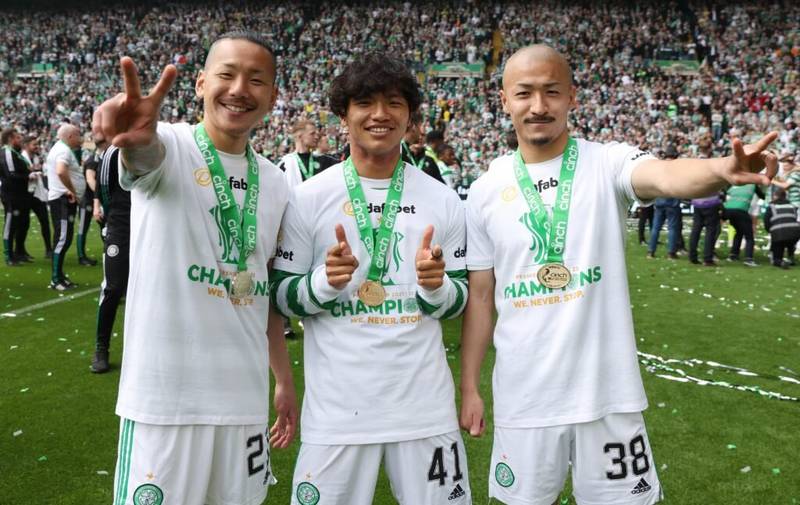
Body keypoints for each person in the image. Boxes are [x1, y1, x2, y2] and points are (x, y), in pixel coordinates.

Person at [460, 44, 777, 505]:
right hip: (525, 401)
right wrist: (469, 386)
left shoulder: (607, 162)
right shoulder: (485, 190)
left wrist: (721, 170)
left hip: (609, 399)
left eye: (552, 91)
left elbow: (665, 176)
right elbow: (480, 297)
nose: (539, 106)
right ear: (504, 100)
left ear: (573, 97)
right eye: (524, 93)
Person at [92, 31, 297, 504]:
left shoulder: (275, 182)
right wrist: (135, 139)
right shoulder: (171, 144)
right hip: (167, 404)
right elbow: (144, 155)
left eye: (256, 80)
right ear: (202, 83)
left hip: (243, 403)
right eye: (227, 74)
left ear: (273, 96)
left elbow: (264, 290)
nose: (239, 89)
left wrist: (283, 380)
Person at [271, 52, 472, 505]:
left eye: (394, 103)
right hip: (337, 415)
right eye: (365, 102)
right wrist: (323, 283)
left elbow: (459, 300)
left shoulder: (442, 199)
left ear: (410, 117)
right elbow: (281, 295)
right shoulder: (307, 198)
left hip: (425, 411)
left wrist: (436, 286)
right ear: (343, 115)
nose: (380, 114)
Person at [89, 141, 129, 374]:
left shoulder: (161, 144)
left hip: (153, 227)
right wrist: (113, 220)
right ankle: (101, 348)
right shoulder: (113, 152)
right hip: (121, 225)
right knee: (113, 287)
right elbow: (103, 189)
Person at [45, 123, 84, 289]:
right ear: (70, 136)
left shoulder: (59, 148)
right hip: (63, 199)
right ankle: (55, 279)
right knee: (62, 238)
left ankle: (59, 275)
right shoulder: (63, 150)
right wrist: (72, 190)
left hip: (62, 198)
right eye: (78, 135)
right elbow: (61, 171)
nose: (80, 138)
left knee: (64, 238)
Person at [1, 128, 33, 266]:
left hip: (22, 194)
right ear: (10, 139)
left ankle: (19, 252)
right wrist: (29, 176)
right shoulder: (7, 152)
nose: (21, 140)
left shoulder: (15, 153)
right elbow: (11, 174)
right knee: (11, 224)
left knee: (23, 223)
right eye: (18, 138)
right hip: (11, 195)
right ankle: (8, 255)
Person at [278, 119, 338, 188]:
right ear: (300, 136)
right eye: (312, 134)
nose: (316, 137)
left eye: (316, 134)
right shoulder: (286, 164)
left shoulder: (324, 160)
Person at [646, 146, 681, 259]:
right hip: (672, 200)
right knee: (672, 228)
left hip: (660, 200)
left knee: (655, 228)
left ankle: (651, 251)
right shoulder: (677, 166)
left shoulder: (659, 165)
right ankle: (671, 252)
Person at [21, 135, 53, 259]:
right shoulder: (21, 158)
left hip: (37, 194)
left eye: (37, 144)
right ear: (26, 145)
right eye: (34, 144)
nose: (37, 147)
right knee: (24, 223)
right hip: (26, 194)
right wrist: (32, 172)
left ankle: (48, 249)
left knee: (45, 221)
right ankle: (20, 250)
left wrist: (37, 171)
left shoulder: (36, 157)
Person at [723, 183, 763, 266]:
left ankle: (733, 255)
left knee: (739, 232)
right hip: (740, 210)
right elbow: (762, 196)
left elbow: (726, 193)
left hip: (728, 210)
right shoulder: (753, 185)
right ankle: (749, 259)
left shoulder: (735, 185)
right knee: (749, 236)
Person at [401, 112, 447, 184]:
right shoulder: (397, 154)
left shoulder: (429, 160)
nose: (420, 137)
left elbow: (441, 185)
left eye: (423, 135)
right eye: (419, 133)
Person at [764, 188, 800, 268]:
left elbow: (766, 222)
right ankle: (791, 257)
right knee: (790, 240)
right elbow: (794, 218)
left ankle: (780, 262)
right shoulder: (792, 206)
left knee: (776, 257)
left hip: (779, 234)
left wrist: (771, 232)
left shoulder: (771, 206)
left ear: (775, 196)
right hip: (795, 234)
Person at [688, 192, 724, 266]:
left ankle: (692, 256)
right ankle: (708, 258)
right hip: (711, 203)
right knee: (710, 232)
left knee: (696, 230)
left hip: (697, 202)